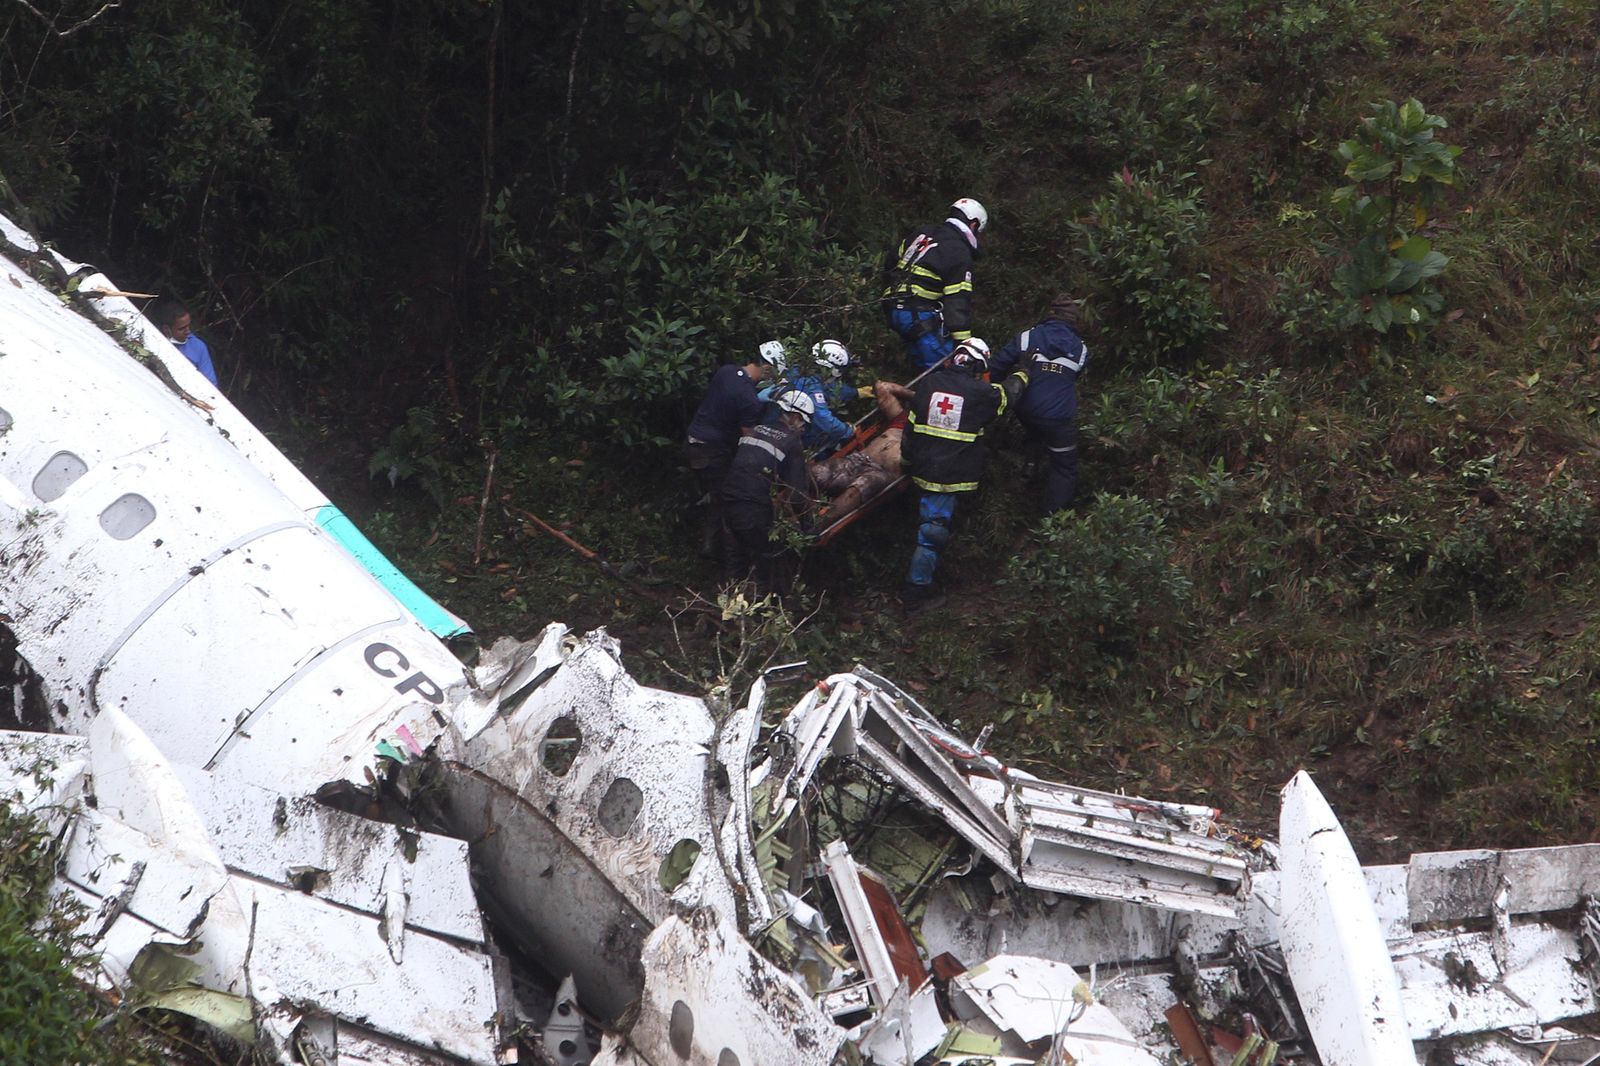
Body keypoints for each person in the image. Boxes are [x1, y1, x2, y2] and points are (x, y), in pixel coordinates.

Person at [891, 337, 1025, 609]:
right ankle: (916, 592)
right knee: (933, 531)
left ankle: (924, 577)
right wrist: (1023, 372)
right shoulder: (981, 393)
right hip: (950, 476)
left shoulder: (928, 384)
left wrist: (905, 462)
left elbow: (910, 432)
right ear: (979, 366)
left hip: (922, 468)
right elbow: (1008, 395)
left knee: (930, 525)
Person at [686, 340, 787, 557]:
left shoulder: (726, 371)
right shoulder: (749, 400)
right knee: (726, 500)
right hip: (711, 452)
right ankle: (715, 551)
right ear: (767, 367)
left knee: (716, 493)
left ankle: (702, 523)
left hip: (693, 442)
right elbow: (748, 438)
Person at [990, 294, 1091, 514]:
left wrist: (991, 396)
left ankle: (1029, 466)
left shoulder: (1027, 337)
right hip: (1058, 418)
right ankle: (1051, 519)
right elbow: (1073, 377)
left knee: (1035, 428)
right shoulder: (1081, 350)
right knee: (1065, 467)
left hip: (1024, 409)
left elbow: (996, 366)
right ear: (1075, 320)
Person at [719, 387, 815, 590]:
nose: (803, 430)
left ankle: (732, 609)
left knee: (736, 562)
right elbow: (797, 497)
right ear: (796, 417)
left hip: (727, 500)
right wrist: (808, 528)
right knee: (771, 559)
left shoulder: (758, 429)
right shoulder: (791, 443)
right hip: (750, 506)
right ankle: (772, 609)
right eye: (804, 424)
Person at [881, 198, 988, 370]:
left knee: (918, 370)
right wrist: (964, 345)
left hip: (892, 308)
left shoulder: (922, 233)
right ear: (974, 224)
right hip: (918, 315)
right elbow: (957, 302)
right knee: (948, 371)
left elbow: (890, 261)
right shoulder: (960, 250)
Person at [808, 380, 910, 527]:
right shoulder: (903, 418)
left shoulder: (934, 441)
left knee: (859, 488)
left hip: (882, 473)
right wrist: (918, 396)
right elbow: (882, 386)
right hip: (858, 460)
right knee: (817, 472)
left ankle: (816, 526)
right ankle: (781, 510)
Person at [763, 339, 859, 455]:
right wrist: (847, 430)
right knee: (824, 437)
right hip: (784, 438)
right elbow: (824, 419)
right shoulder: (811, 385)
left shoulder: (797, 371)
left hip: (767, 426)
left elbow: (829, 389)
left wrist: (856, 392)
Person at [151, 298, 219, 386]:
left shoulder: (198, 347)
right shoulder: (153, 339)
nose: (187, 331)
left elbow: (211, 384)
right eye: (181, 328)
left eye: (188, 326)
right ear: (166, 329)